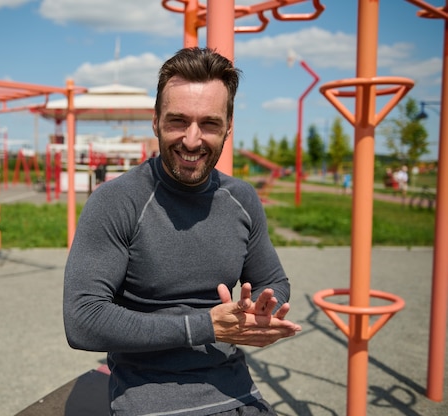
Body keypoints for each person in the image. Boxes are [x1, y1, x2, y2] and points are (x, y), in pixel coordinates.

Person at [63, 47, 302, 416]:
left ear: (228, 127)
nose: (192, 140)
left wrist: (260, 308)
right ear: (155, 121)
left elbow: (273, 279)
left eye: (209, 123)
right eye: (178, 121)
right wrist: (205, 326)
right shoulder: (117, 201)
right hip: (151, 401)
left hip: (239, 394)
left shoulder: (241, 198)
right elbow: (82, 320)